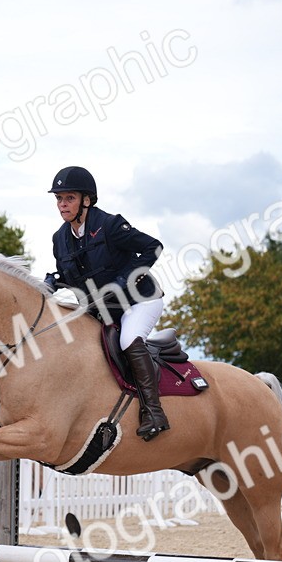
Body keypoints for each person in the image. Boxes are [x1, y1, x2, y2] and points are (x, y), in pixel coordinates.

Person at [46, 166, 169, 441]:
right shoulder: (60, 239)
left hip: (140, 300)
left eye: (69, 198)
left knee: (128, 340)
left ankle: (154, 411)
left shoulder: (111, 225)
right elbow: (67, 274)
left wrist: (126, 278)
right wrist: (52, 281)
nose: (62, 205)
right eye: (59, 199)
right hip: (103, 310)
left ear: (86, 200)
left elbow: (154, 247)